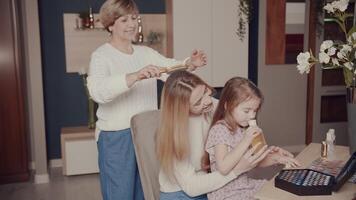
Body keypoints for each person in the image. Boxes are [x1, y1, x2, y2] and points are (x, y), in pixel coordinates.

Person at [86, 0, 207, 199]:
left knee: (147, 189)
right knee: (120, 194)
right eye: (124, 20)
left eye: (134, 18)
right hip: (117, 137)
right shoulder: (101, 56)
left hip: (147, 132)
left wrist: (189, 63)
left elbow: (169, 68)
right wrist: (135, 76)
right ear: (110, 25)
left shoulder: (145, 53)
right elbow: (98, 92)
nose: (131, 24)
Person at [156, 71, 271, 200]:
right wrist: (237, 170)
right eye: (198, 102)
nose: (207, 101)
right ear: (182, 108)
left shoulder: (211, 106)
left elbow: (238, 107)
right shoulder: (175, 135)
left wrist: (270, 155)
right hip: (182, 194)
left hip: (212, 184)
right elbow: (192, 188)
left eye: (205, 91)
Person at [205, 77, 300, 200]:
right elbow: (223, 167)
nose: (252, 116)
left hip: (245, 186)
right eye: (246, 111)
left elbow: (255, 162)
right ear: (228, 106)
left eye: (255, 111)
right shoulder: (219, 130)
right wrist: (246, 140)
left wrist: (278, 158)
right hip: (227, 193)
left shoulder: (243, 128)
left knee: (278, 191)